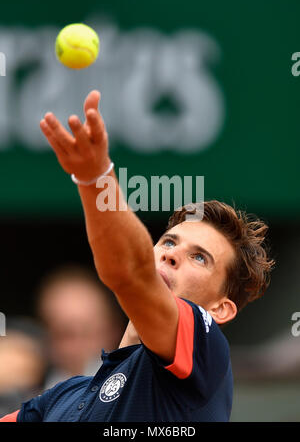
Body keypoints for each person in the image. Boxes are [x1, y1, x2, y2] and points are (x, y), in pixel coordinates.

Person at [0, 90, 275, 422]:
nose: (172, 256)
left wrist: (96, 177)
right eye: (169, 242)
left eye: (199, 258)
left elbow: (131, 274)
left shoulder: (206, 352)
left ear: (220, 309)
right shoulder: (61, 398)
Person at [35, 264, 127, 389]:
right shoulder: (25, 395)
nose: (78, 348)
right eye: (65, 334)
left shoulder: (137, 392)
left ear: (114, 332)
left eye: (89, 333)